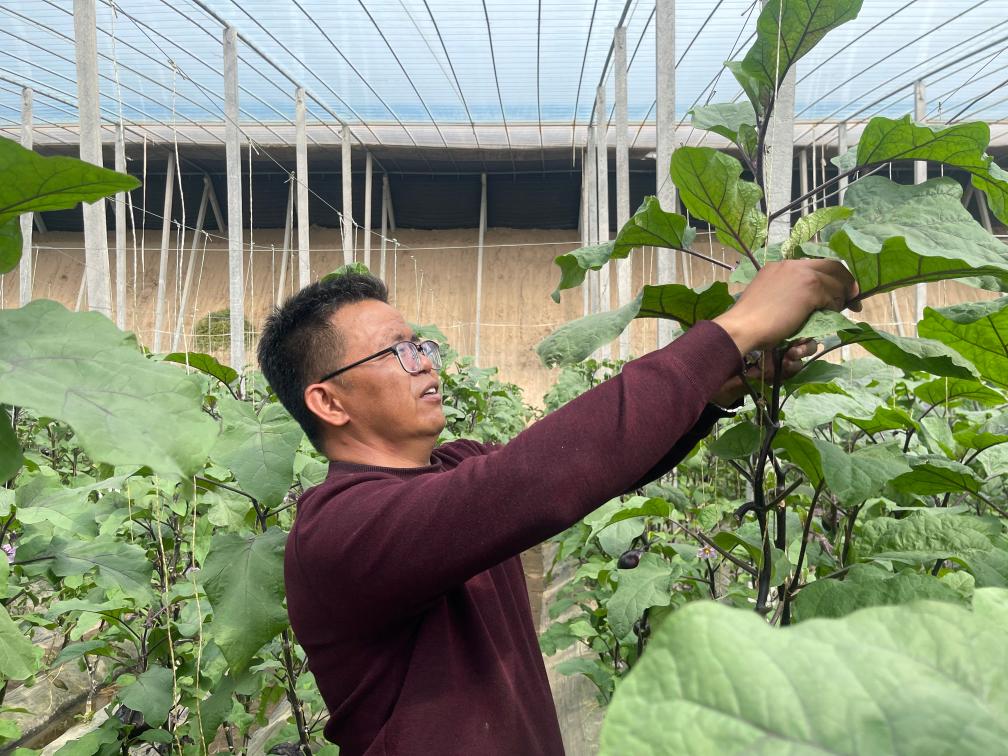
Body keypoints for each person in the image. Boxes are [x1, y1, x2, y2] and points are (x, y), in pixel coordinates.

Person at [257, 260, 859, 755]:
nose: (427, 362)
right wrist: (738, 327)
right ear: (329, 403)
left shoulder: (454, 466)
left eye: (421, 344)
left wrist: (712, 393)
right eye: (397, 352)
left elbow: (593, 462)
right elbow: (541, 479)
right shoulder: (338, 528)